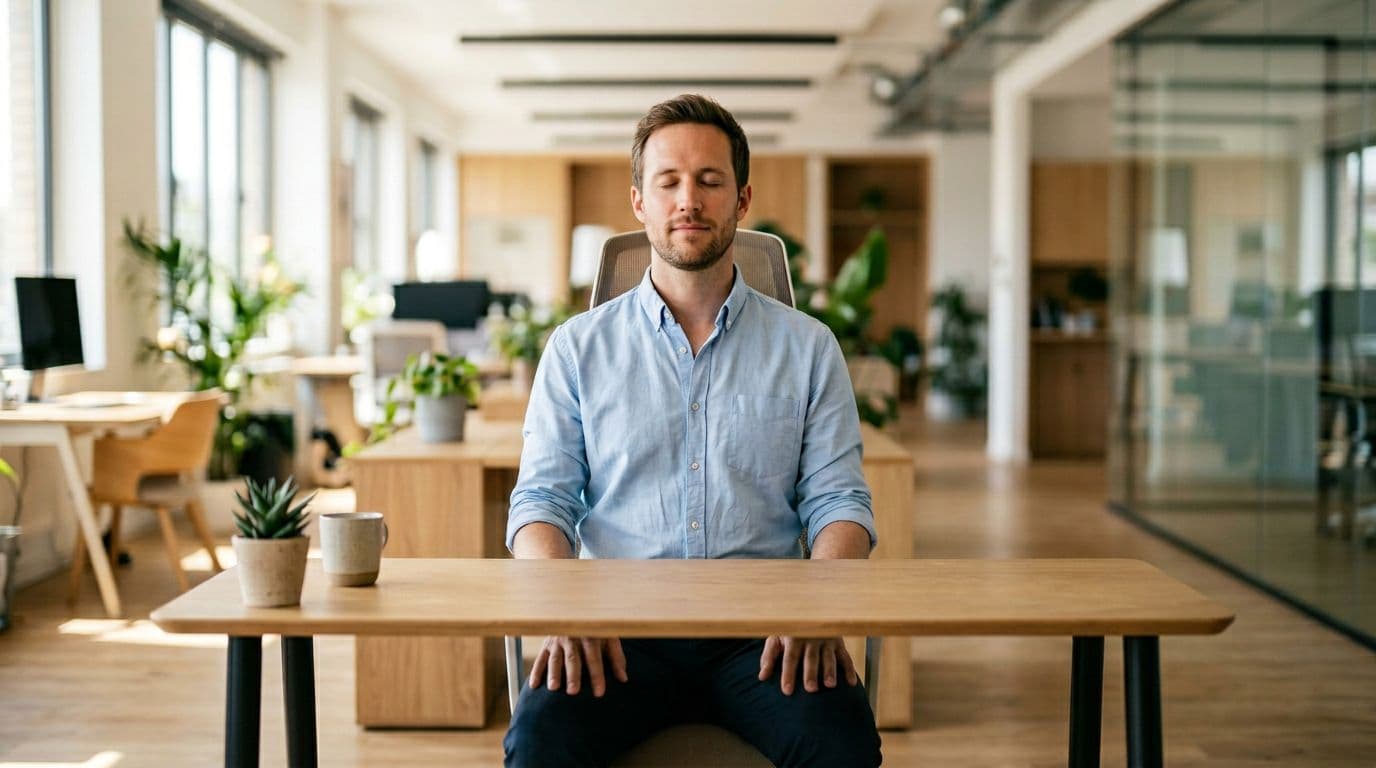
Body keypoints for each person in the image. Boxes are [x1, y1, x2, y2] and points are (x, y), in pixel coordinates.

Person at [503, 93, 882, 768]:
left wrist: (819, 606)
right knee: (539, 745)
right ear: (638, 201)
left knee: (841, 745)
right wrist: (567, 609)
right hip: (615, 635)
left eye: (710, 181)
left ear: (741, 200)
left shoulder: (808, 347)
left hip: (765, 638)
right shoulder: (576, 348)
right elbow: (541, 503)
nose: (689, 200)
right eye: (668, 182)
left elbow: (839, 503)